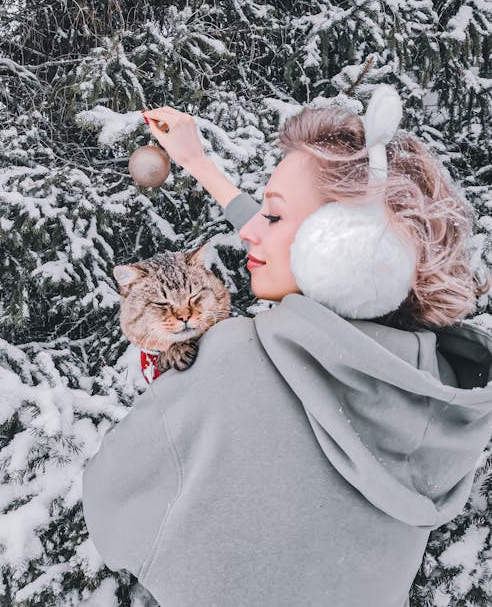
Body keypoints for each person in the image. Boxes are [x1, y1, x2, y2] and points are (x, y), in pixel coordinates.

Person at [82, 87, 492, 607]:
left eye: (272, 219)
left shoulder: (235, 358)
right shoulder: (441, 387)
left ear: (341, 246)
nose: (251, 235)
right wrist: (197, 162)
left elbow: (111, 514)